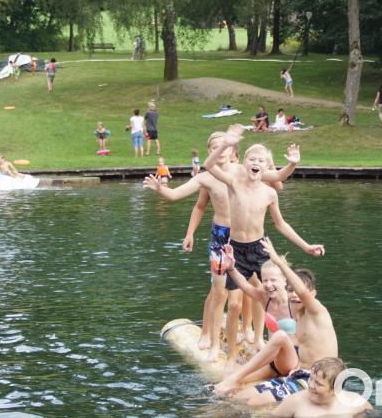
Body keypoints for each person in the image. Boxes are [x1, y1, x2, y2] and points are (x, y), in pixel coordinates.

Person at [144, 132, 298, 361]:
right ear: (210, 151)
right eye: (215, 147)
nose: (221, 150)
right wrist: (161, 191)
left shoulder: (242, 171)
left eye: (225, 146)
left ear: (233, 151)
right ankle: (212, 337)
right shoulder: (206, 177)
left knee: (252, 289)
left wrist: (283, 163)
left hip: (246, 237)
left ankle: (255, 334)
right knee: (220, 292)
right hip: (221, 236)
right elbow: (180, 197)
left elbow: (276, 180)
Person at [203, 124, 324, 370]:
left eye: (261, 161)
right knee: (233, 304)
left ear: (267, 166)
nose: (255, 163)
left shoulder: (270, 194)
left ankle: (273, 343)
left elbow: (281, 223)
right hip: (235, 249)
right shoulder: (233, 182)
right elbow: (208, 164)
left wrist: (306, 246)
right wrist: (226, 143)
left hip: (259, 248)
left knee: (272, 295)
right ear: (243, 163)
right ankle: (230, 355)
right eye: (251, 159)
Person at [215, 237, 338, 407]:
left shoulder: (317, 311)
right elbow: (247, 288)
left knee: (254, 401)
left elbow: (302, 293)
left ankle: (236, 381)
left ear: (313, 294)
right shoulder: (298, 314)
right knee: (238, 396)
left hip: (315, 378)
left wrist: (278, 260)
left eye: (297, 292)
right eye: (290, 291)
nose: (294, 295)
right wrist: (231, 268)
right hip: (296, 371)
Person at [271, 358, 373, 416]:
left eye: (318, 384)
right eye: (311, 379)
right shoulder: (295, 402)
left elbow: (370, 414)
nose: (310, 385)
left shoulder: (355, 402)